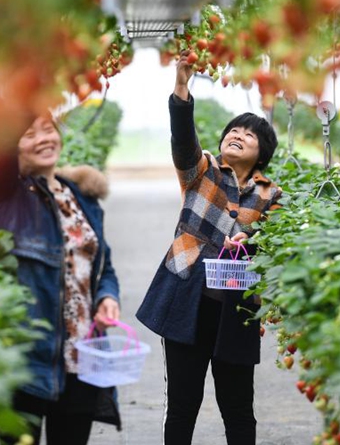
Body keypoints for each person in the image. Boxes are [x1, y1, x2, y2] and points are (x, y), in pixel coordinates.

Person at [136, 52, 282, 445]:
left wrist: (248, 242)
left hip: (236, 308)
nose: (237, 135)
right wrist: (182, 86)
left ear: (261, 154)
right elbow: (183, 139)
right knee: (183, 404)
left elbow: (277, 244)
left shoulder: (271, 195)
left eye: (249, 135)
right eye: (233, 130)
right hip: (187, 297)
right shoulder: (202, 171)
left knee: (237, 408)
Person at [0, 114, 122, 445]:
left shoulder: (82, 198)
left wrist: (107, 297)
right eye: (29, 134)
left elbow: (104, 267)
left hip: (83, 355)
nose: (43, 139)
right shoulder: (8, 200)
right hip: (29, 356)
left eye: (48, 130)